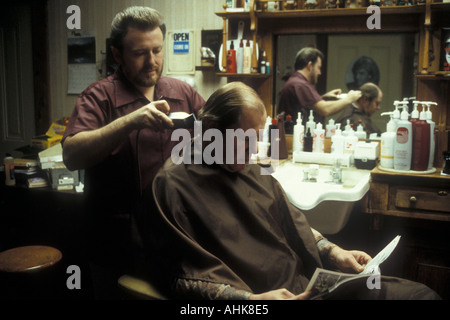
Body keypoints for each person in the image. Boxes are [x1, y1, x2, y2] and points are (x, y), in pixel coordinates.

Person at [137, 82, 440, 300]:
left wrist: (334, 253)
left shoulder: (254, 169)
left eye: (258, 138)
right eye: (245, 140)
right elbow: (178, 277)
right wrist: (250, 302)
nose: (255, 150)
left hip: (304, 287)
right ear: (212, 130)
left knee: (421, 294)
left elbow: (293, 223)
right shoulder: (173, 184)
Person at [62, 6, 205, 298]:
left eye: (157, 50)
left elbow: (213, 133)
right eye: (140, 53)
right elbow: (71, 156)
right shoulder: (98, 97)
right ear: (117, 55)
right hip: (114, 244)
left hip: (173, 237)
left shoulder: (182, 92)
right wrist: (132, 121)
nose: (151, 61)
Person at [278, 47, 361, 125]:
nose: (320, 73)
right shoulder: (300, 85)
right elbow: (325, 110)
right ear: (310, 66)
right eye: (318, 68)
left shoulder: (296, 81)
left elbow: (306, 105)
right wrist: (349, 99)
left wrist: (323, 97)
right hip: (288, 137)